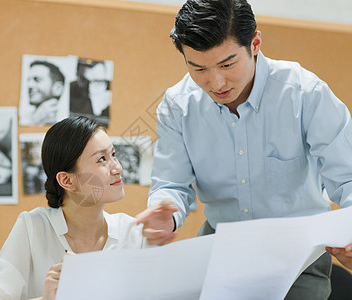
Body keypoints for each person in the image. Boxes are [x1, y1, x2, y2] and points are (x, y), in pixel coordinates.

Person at [135, 0, 352, 298]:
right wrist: (167, 212)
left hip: (298, 255)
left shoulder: (305, 94)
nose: (216, 82)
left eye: (227, 64)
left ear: (255, 43)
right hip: (221, 246)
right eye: (198, 68)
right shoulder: (178, 105)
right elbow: (172, 183)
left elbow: (348, 177)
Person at [0, 116, 148, 300]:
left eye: (113, 155)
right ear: (67, 180)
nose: (117, 168)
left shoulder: (135, 234)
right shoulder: (33, 227)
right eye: (102, 159)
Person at [70, 59, 111, 127]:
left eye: (97, 81)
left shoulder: (112, 99)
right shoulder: (71, 91)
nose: (90, 88)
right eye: (84, 81)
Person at [22, 60, 65, 126]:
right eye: (29, 80)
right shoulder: (25, 119)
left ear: (58, 88)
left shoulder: (66, 122)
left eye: (37, 80)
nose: (29, 85)